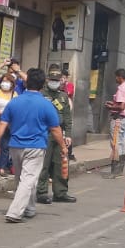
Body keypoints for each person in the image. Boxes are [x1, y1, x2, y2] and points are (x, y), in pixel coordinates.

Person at [0, 68, 68, 223]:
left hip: (15, 146)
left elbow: (3, 123)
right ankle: (15, 212)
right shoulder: (46, 105)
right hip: (35, 147)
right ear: (42, 84)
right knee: (28, 179)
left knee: (22, 179)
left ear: (26, 82)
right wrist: (63, 146)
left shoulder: (14, 102)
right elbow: (55, 129)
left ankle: (29, 208)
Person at [37, 68, 77, 204]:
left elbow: (67, 118)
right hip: (45, 133)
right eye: (52, 80)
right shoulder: (41, 94)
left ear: (61, 81)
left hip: (59, 134)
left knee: (61, 164)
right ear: (47, 80)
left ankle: (60, 192)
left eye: (57, 80)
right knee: (44, 164)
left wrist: (69, 135)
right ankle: (41, 192)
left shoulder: (63, 96)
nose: (54, 82)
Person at [104, 68, 125, 177]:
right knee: (121, 143)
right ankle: (120, 169)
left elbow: (121, 106)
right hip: (124, 118)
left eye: (116, 77)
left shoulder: (122, 88)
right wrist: (113, 103)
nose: (115, 79)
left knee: (115, 143)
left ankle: (115, 171)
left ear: (119, 77)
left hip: (118, 118)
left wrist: (111, 106)